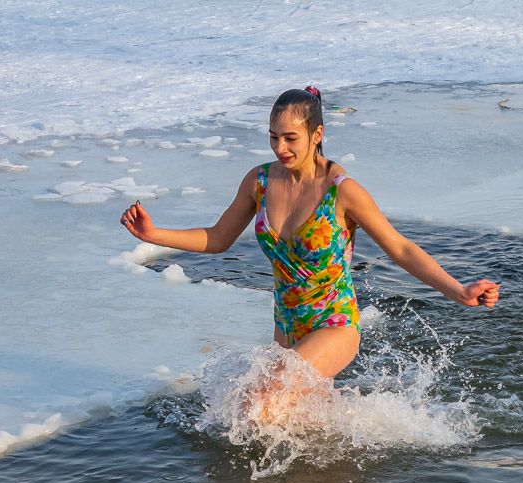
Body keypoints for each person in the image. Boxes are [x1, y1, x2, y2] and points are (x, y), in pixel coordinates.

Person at [120, 86, 500, 380]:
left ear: (316, 134)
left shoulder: (343, 191)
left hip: (333, 324)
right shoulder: (260, 182)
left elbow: (399, 248)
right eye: (273, 137)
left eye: (290, 138)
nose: (280, 147)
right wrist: (154, 234)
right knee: (296, 428)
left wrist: (458, 290)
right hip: (286, 328)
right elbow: (218, 238)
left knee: (264, 402)